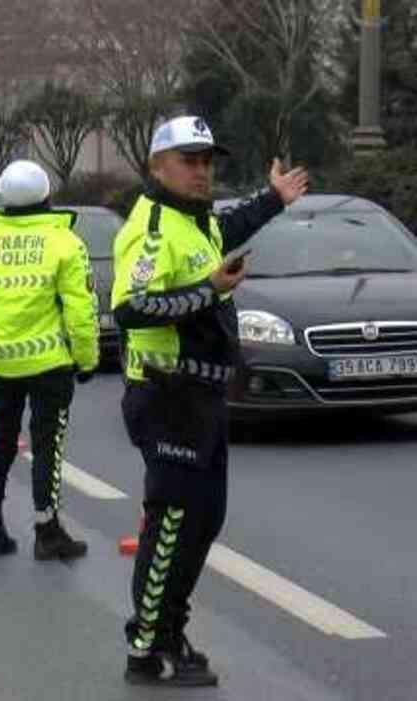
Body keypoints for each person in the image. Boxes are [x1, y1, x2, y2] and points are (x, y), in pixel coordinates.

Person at [113, 116, 309, 687]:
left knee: (204, 521)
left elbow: (228, 228)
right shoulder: (152, 227)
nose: (201, 172)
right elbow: (129, 308)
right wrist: (210, 291)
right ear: (157, 166)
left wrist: (272, 199)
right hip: (164, 392)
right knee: (172, 524)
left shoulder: (192, 221)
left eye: (207, 162)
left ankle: (170, 631)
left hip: (201, 394)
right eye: (188, 161)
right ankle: (146, 652)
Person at [0, 160, 100, 560]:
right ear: (47, 197)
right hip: (50, 364)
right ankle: (47, 531)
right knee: (46, 445)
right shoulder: (65, 244)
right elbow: (81, 313)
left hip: (0, 362)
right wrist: (85, 360)